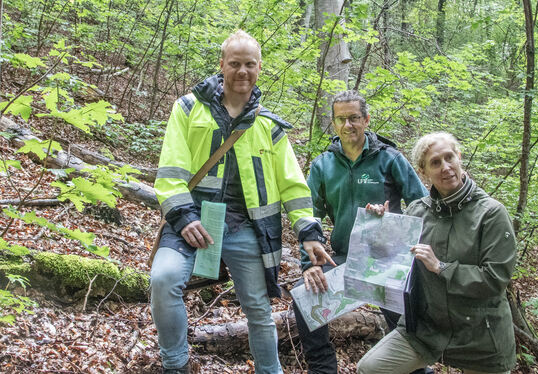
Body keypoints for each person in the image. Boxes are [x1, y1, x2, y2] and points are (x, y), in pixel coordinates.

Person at [151, 30, 333, 374]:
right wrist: (184, 217)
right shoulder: (189, 109)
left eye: (249, 64)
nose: (242, 71)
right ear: (222, 65)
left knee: (258, 308)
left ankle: (270, 370)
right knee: (163, 279)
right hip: (189, 224)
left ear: (259, 68)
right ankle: (175, 365)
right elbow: (170, 171)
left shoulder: (269, 126)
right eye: (235, 64)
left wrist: (309, 232)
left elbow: (293, 185)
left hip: (244, 229)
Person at [357, 132, 517, 374]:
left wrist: (441, 267)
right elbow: (391, 264)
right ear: (423, 172)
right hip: (426, 330)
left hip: (481, 337)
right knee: (370, 368)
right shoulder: (417, 211)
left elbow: (495, 280)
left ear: (459, 157)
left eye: (449, 157)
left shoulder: (491, 213)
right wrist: (379, 228)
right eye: (435, 162)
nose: (446, 167)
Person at [295, 90, 429, 373]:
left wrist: (394, 223)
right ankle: (323, 369)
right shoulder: (323, 165)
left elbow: (421, 205)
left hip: (389, 261)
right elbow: (308, 217)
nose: (348, 125)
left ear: (366, 120)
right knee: (304, 295)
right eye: (341, 119)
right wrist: (310, 265)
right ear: (333, 124)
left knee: (406, 330)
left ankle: (416, 370)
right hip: (346, 259)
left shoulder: (389, 159)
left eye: (354, 118)